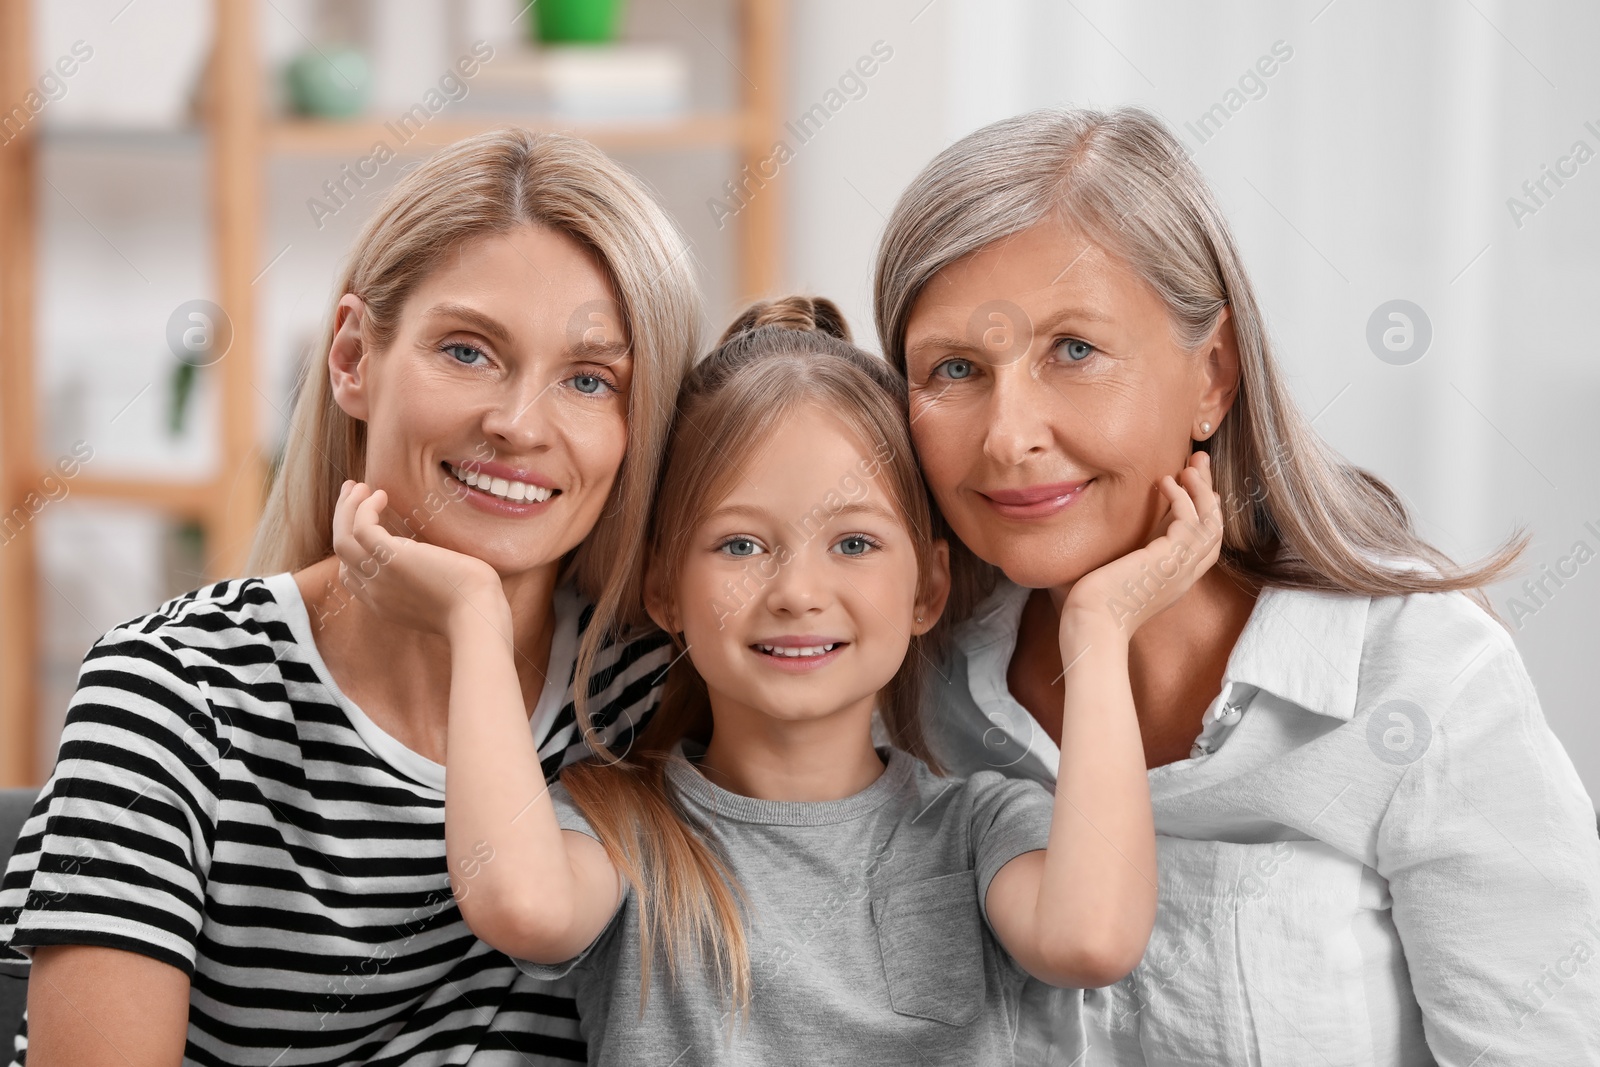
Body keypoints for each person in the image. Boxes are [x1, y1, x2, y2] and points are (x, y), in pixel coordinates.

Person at [873, 105, 1600, 1065]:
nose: (1009, 435)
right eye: (955, 368)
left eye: (1074, 351)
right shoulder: (905, 684)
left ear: (1212, 375)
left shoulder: (1425, 679)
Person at [328, 297, 1224, 1066]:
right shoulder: (622, 827)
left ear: (929, 588)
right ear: (665, 588)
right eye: (742, 545)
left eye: (855, 544)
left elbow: (1092, 939)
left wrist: (1098, 628)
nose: (797, 592)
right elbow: (518, 903)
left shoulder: (977, 827)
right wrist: (474, 620)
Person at [0, 128, 700, 1066]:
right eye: (468, 350)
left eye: (588, 379)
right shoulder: (171, 692)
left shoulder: (653, 692)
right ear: (352, 359)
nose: (519, 423)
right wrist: (470, 614)